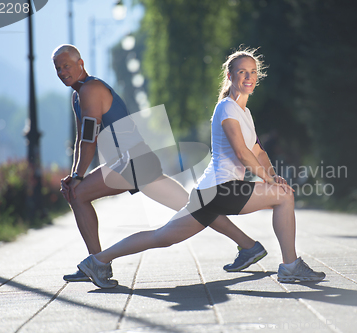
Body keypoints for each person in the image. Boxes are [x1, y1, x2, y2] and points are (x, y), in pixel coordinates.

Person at [76, 47, 326, 289]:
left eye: (252, 72)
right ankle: (291, 266)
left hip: (209, 193)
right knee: (284, 197)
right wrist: (271, 183)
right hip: (221, 189)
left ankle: (97, 260)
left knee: (162, 237)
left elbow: (259, 152)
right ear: (230, 76)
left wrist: (273, 176)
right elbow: (242, 152)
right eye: (242, 72)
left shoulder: (244, 112)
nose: (248, 77)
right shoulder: (226, 108)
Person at [52, 44, 267, 283]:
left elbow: (88, 140)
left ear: (80, 64)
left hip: (130, 163)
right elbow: (83, 138)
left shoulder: (90, 90)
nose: (62, 72)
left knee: (78, 194)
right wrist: (75, 173)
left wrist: (77, 178)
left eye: (67, 66)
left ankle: (97, 263)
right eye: (58, 68)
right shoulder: (79, 93)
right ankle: (248, 246)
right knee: (195, 207)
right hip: (137, 161)